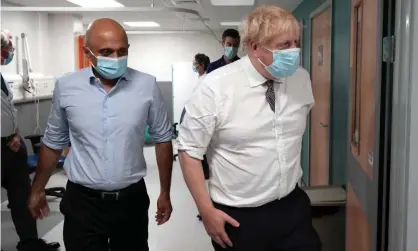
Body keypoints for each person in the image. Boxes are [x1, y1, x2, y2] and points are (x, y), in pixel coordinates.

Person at [177, 5, 321, 251]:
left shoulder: (301, 79)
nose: (294, 51)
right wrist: (206, 211)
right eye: (284, 45)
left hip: (291, 205)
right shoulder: (216, 87)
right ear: (254, 47)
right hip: (240, 217)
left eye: (296, 43)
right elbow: (189, 152)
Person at [28, 19, 174, 251]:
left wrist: (165, 192)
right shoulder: (67, 87)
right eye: (106, 52)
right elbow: (53, 142)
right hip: (82, 203)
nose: (116, 58)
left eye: (122, 51)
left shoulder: (147, 85)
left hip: (131, 202)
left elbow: (163, 139)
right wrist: (37, 189)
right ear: (88, 53)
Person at [1, 30, 60, 251]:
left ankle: (30, 242)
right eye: (9, 48)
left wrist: (15, 134)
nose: (10, 53)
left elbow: (8, 111)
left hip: (11, 146)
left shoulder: (2, 78)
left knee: (22, 197)